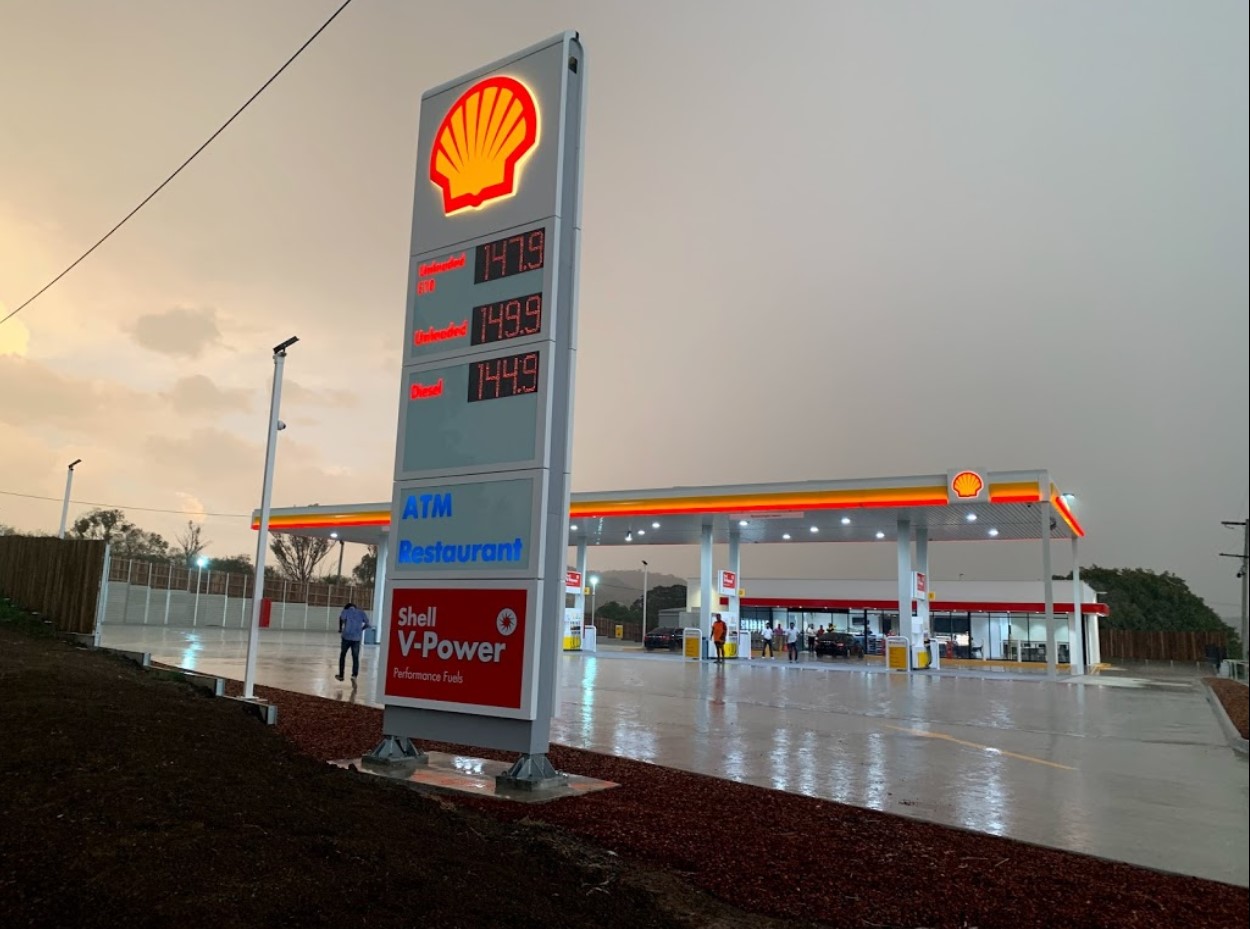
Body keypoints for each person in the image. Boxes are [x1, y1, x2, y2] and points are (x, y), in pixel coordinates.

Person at [336, 601, 371, 683]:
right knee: (355, 657)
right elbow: (368, 624)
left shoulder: (345, 611)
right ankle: (354, 675)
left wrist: (341, 629)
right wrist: (361, 629)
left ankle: (341, 675)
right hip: (356, 638)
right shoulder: (361, 612)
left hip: (346, 637)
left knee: (343, 655)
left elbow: (341, 619)